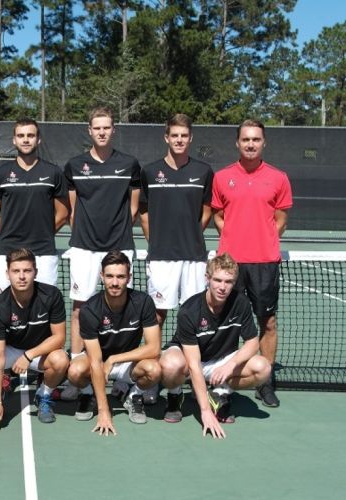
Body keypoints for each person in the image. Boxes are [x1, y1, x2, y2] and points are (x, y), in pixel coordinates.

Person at [61, 106, 141, 401]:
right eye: (97, 128)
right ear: (89, 130)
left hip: (119, 247)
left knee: (123, 309)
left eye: (107, 127)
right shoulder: (74, 166)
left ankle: (120, 375)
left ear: (113, 130)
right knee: (81, 308)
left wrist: (117, 234)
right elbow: (72, 208)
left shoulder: (130, 164)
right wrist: (86, 233)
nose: (102, 132)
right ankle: (77, 373)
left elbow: (133, 207)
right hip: (83, 247)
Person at [211, 119, 292, 408]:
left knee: (267, 322)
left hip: (265, 264)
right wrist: (233, 237)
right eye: (245, 139)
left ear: (263, 142)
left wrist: (265, 238)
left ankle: (264, 381)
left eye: (256, 139)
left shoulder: (278, 178)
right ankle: (224, 381)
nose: (250, 144)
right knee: (227, 323)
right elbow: (217, 215)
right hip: (231, 265)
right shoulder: (222, 177)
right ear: (237, 142)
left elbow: (281, 218)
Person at [138, 114, 213, 404]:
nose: (179, 140)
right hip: (161, 257)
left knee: (194, 317)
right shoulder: (150, 171)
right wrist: (153, 238)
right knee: (157, 314)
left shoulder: (204, 172)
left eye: (184, 135)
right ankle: (154, 372)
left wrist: (193, 232)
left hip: (194, 257)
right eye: (174, 135)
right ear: (166, 138)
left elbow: (207, 209)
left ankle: (193, 374)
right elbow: (143, 210)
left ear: (190, 138)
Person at [159, 253, 272, 438]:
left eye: (228, 281)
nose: (222, 287)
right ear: (207, 278)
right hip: (188, 360)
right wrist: (205, 412)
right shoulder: (189, 310)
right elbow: (194, 364)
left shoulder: (240, 303)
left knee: (263, 368)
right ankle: (175, 394)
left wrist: (230, 365)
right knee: (171, 365)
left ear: (234, 282)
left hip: (220, 360)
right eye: (217, 280)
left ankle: (219, 392)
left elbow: (252, 343)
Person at [0, 248, 69, 430]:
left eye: (27, 271)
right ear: (7, 274)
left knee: (61, 360)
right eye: (16, 271)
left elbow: (59, 338)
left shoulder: (51, 295)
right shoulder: (0, 307)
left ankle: (43, 394)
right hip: (9, 347)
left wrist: (29, 355)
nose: (22, 276)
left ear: (35, 272)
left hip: (38, 348)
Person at [66, 251, 161, 434]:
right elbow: (95, 361)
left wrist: (114, 359)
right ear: (101, 276)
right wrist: (104, 412)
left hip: (129, 362)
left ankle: (134, 395)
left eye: (120, 276)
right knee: (75, 371)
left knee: (155, 370)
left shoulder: (143, 302)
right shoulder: (90, 309)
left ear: (129, 278)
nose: (115, 282)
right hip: (99, 360)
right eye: (109, 276)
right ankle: (89, 394)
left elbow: (154, 348)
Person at [0, 118, 69, 297]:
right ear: (14, 140)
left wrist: (43, 234)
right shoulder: (0, 174)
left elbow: (63, 213)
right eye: (21, 136)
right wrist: (10, 233)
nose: (26, 140)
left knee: (46, 306)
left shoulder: (53, 172)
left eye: (30, 135)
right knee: (5, 307)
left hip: (44, 253)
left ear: (38, 139)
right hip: (8, 252)